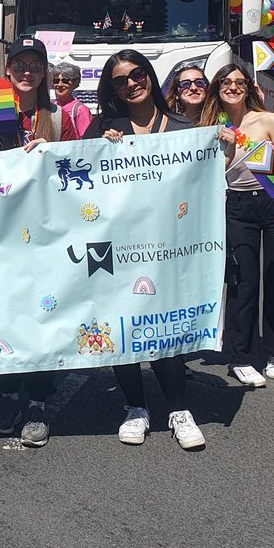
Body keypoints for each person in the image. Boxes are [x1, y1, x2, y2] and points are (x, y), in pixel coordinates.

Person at [83, 50, 205, 449]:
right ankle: (135, 408)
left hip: (169, 245)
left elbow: (203, 183)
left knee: (165, 324)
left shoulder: (184, 126)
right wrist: (98, 149)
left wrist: (221, 146)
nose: (131, 84)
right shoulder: (104, 127)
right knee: (123, 323)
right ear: (112, 89)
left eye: (137, 74)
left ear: (150, 75)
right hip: (117, 245)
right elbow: (79, 179)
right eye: (120, 81)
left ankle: (179, 410)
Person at [0, 37, 76, 447]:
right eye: (19, 65)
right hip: (2, 234)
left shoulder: (59, 116)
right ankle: (9, 394)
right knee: (7, 316)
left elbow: (83, 166)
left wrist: (54, 152)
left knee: (43, 318)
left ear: (45, 71)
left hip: (47, 235)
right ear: (8, 68)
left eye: (34, 65)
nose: (26, 72)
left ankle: (39, 402)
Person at [203, 64, 274, 390]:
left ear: (248, 87)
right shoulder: (209, 126)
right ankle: (241, 356)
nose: (233, 87)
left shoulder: (269, 120)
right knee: (241, 281)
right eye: (226, 82)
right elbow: (205, 175)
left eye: (239, 82)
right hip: (236, 207)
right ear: (218, 88)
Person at [51, 59, 92, 138]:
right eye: (56, 80)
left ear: (75, 83)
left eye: (65, 81)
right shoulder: (51, 106)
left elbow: (86, 139)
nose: (60, 84)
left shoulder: (81, 110)